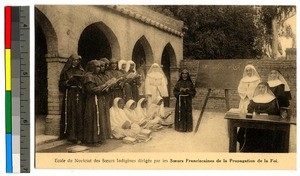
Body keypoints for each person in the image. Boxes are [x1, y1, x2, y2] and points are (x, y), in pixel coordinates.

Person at [237, 82, 280, 153]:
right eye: (259, 88)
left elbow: (274, 109)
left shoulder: (272, 99)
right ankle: (248, 148)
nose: (261, 89)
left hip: (267, 121)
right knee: (244, 127)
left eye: (263, 87)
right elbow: (250, 107)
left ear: (266, 88)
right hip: (255, 119)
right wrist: (253, 112)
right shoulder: (255, 98)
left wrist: (264, 113)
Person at [58, 54, 85, 144]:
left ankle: (80, 136)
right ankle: (71, 136)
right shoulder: (66, 71)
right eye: (74, 60)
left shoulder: (81, 71)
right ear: (71, 61)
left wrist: (81, 84)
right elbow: (61, 84)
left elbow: (84, 82)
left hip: (79, 94)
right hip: (70, 94)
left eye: (77, 61)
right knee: (71, 114)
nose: (76, 62)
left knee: (79, 114)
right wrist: (68, 82)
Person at [82, 60, 108, 145]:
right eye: (97, 67)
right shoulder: (88, 76)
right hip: (92, 101)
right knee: (93, 119)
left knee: (99, 118)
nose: (99, 68)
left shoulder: (97, 76)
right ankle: (92, 140)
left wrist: (107, 87)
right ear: (92, 67)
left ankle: (98, 138)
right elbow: (91, 90)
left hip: (99, 99)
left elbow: (100, 88)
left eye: (100, 67)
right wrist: (104, 86)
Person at [97, 60, 112, 141]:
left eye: (104, 66)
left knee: (106, 114)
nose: (103, 68)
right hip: (99, 97)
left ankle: (106, 133)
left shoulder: (105, 76)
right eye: (101, 66)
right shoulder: (97, 76)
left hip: (105, 96)